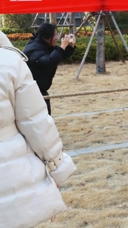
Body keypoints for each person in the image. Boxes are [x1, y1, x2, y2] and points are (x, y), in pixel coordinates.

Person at [0, 31, 77, 228]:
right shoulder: (9, 60)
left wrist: (65, 47)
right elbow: (35, 121)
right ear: (47, 37)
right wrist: (56, 167)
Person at [23, 23, 76, 115]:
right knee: (41, 119)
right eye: (55, 35)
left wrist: (70, 46)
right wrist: (62, 46)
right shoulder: (34, 48)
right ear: (46, 37)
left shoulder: (44, 45)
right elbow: (49, 61)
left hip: (39, 89)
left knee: (46, 119)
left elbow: (59, 55)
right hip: (31, 92)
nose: (57, 37)